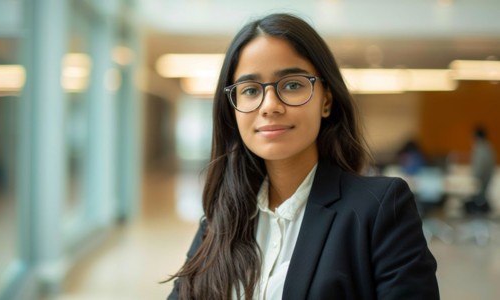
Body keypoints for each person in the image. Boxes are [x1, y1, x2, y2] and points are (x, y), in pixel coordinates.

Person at [167, 13, 439, 299]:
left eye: (292, 85)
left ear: (326, 100)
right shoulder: (221, 220)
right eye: (249, 90)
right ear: (232, 110)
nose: (269, 106)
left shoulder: (378, 209)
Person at [464, 126, 496, 214]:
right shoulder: (489, 148)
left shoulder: (480, 150)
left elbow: (477, 173)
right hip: (485, 186)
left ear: (475, 137)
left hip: (479, 188)